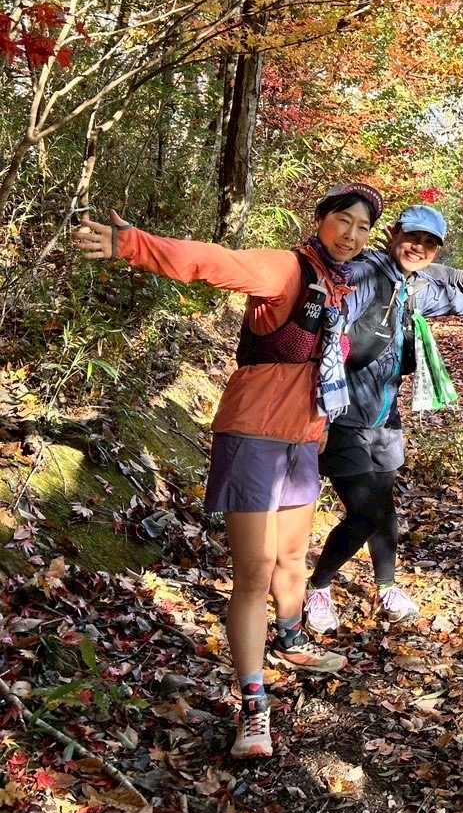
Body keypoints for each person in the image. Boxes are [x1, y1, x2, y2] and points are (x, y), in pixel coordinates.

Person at [72, 183, 385, 760]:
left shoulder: (340, 286)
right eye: (343, 220)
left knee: (292, 556)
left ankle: (289, 638)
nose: (352, 234)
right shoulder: (287, 269)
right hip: (254, 436)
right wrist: (134, 245)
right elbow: (216, 263)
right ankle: (253, 704)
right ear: (320, 219)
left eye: (363, 227)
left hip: (303, 438)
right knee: (254, 572)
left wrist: (320, 425)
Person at [304, 204, 463, 635]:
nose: (418, 247)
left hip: (385, 418)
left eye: (429, 243)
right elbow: (332, 333)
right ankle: (318, 588)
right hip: (342, 417)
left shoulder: (412, 286)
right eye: (412, 237)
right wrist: (321, 415)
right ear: (394, 233)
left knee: (384, 507)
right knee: (365, 512)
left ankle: (386, 586)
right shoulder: (364, 273)